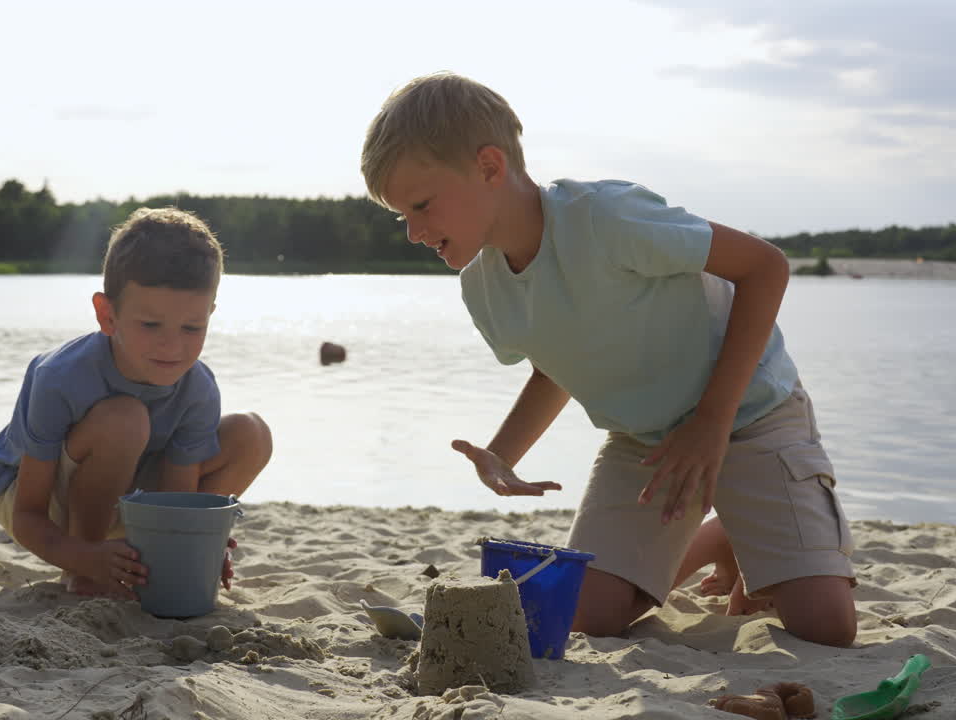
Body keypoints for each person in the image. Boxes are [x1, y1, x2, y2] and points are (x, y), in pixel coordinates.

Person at [360, 72, 856, 647]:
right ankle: (718, 537)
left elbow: (765, 266)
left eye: (421, 206)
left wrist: (711, 424)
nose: (414, 232)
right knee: (585, 618)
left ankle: (741, 531)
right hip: (645, 441)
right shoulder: (483, 289)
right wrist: (503, 453)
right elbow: (554, 368)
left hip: (750, 414)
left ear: (490, 167)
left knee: (826, 630)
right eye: (402, 216)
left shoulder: (606, 218)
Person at [0, 207, 272, 599]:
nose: (172, 346)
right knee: (126, 419)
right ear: (107, 315)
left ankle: (147, 560)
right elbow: (28, 516)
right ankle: (86, 574)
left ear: (210, 315)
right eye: (150, 325)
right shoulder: (61, 376)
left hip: (125, 493)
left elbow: (175, 498)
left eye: (192, 327)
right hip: (32, 498)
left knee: (250, 434)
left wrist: (195, 542)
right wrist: (84, 556)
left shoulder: (197, 388)